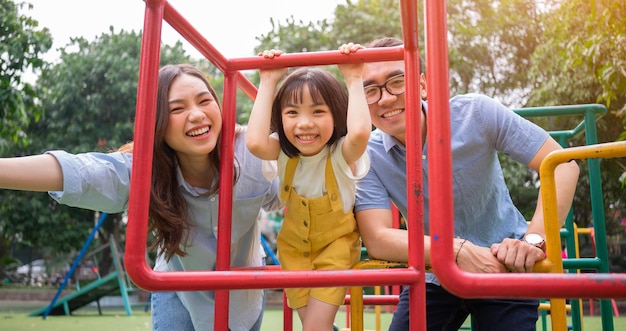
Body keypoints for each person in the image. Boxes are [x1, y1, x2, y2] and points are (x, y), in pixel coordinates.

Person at [0, 64, 282, 331]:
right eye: (177, 109)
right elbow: (82, 171)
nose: (196, 115)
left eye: (204, 101)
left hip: (242, 294)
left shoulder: (253, 151)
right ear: (157, 123)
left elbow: (294, 188)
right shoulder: (149, 168)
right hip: (178, 287)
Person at [353, 37, 580, 330]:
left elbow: (563, 165)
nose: (384, 98)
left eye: (397, 82)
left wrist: (533, 240)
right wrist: (455, 250)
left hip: (503, 264)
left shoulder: (476, 113)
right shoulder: (368, 155)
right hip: (433, 273)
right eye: (370, 90)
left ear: (422, 85)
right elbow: (378, 238)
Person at [246, 44, 371, 331]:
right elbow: (254, 142)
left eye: (317, 111)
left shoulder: (341, 154)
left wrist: (353, 78)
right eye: (292, 112)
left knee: (314, 328)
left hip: (335, 250)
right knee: (315, 326)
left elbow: (361, 132)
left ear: (337, 114)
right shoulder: (283, 153)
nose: (304, 123)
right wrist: (268, 81)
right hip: (293, 249)